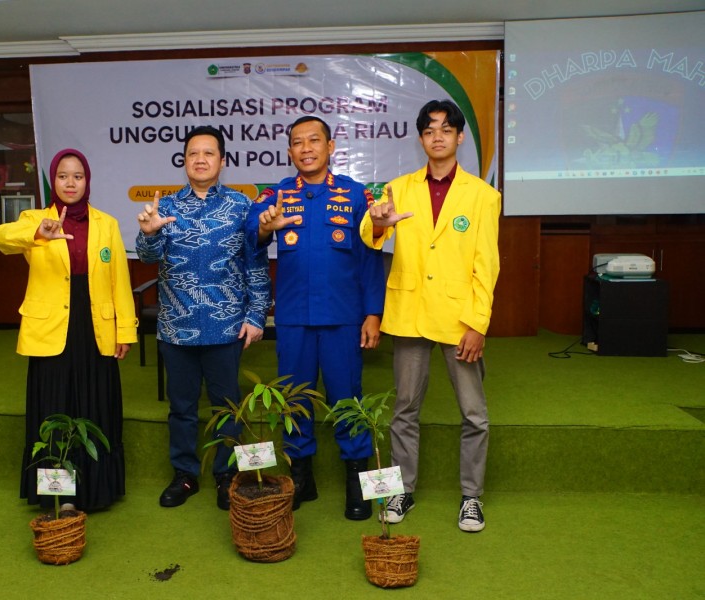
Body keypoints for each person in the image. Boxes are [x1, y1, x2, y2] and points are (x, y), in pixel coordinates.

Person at [360, 99, 501, 532]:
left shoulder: (482, 195)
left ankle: (471, 497)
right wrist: (380, 222)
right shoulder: (398, 188)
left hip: (460, 320)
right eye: (429, 130)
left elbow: (487, 263)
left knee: (474, 413)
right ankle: (401, 491)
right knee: (404, 408)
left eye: (445, 129)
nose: (437, 136)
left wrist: (478, 323)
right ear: (421, 139)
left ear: (460, 137)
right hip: (411, 313)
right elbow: (370, 236)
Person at [251, 116, 385, 521]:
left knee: (348, 399)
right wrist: (262, 228)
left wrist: (373, 313)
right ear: (289, 151)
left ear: (331, 147)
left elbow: (371, 259)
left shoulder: (355, 194)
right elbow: (250, 234)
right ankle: (302, 479)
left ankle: (356, 482)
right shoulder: (276, 195)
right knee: (293, 402)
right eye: (297, 142)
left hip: (344, 318)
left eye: (314, 140)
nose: (306, 148)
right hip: (293, 319)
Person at [0, 148, 137, 512]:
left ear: (88, 181)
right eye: (62, 176)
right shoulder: (34, 219)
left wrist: (126, 330)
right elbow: (1, 238)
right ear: (52, 181)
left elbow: (120, 280)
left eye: (78, 176)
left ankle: (96, 492)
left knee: (95, 405)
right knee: (52, 408)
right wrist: (38, 232)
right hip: (51, 329)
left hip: (96, 327)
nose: (70, 183)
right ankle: (60, 493)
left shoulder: (106, 223)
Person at [135, 125, 271, 511]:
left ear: (222, 161)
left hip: (227, 327)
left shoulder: (243, 208)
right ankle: (184, 475)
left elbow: (256, 265)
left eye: (208, 153)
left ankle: (228, 475)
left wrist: (257, 314)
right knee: (181, 408)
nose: (200, 159)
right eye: (193, 153)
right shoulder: (167, 208)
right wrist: (147, 233)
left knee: (227, 406)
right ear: (184, 161)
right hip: (176, 329)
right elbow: (148, 256)